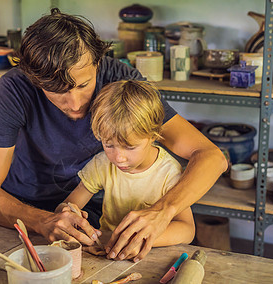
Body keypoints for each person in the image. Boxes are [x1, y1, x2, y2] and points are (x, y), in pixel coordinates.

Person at [0, 8, 227, 262]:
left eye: (84, 85)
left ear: (97, 62)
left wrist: (163, 211)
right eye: (58, 91)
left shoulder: (123, 83)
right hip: (23, 207)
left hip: (94, 213)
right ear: (34, 79)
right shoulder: (14, 88)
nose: (75, 103)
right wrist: (44, 220)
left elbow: (211, 156)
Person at [55, 80, 195, 260]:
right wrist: (69, 214)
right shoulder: (103, 164)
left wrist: (140, 239)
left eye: (130, 147)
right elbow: (68, 205)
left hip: (151, 255)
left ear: (153, 135)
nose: (118, 157)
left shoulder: (169, 172)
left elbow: (187, 230)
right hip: (106, 253)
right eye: (109, 145)